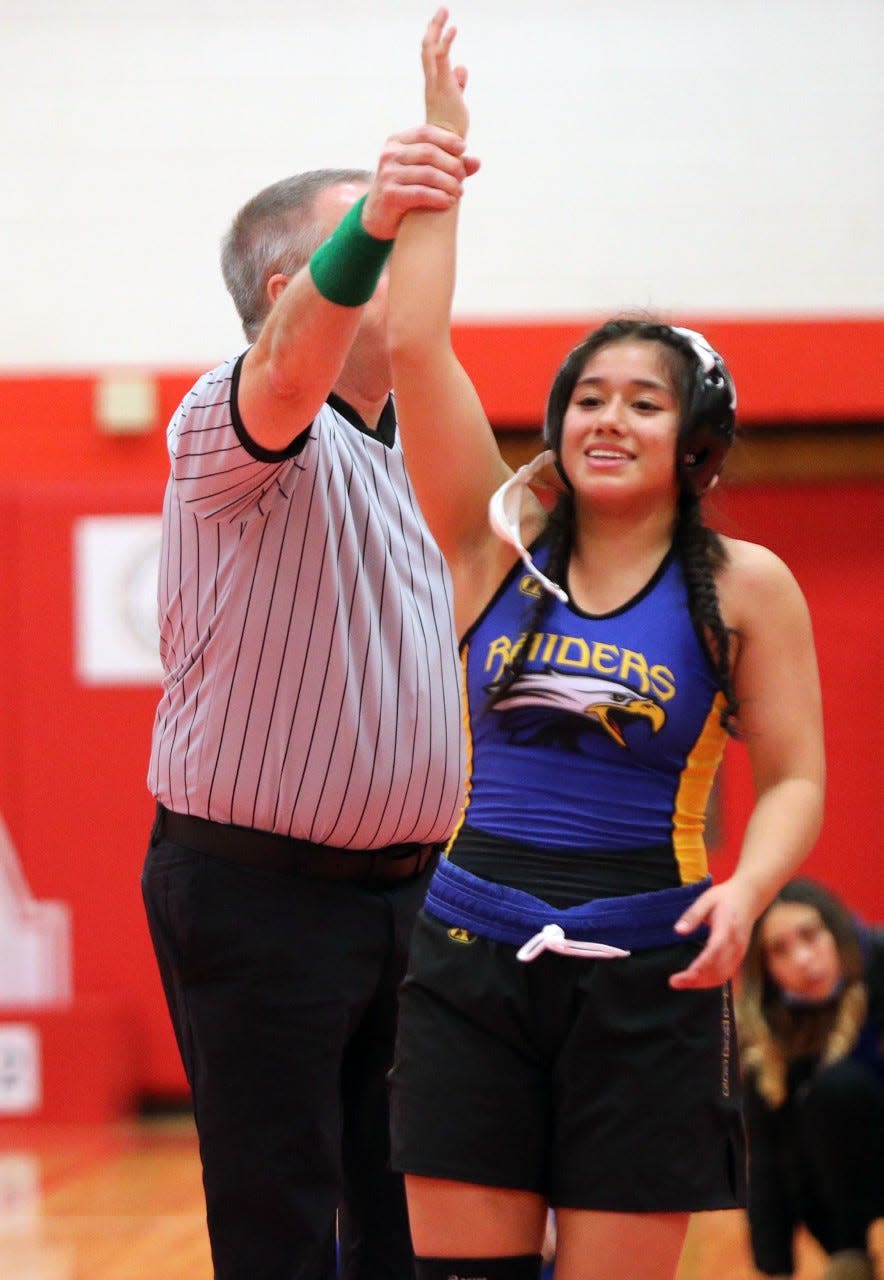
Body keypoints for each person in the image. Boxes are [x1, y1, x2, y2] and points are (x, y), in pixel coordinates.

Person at [383, 12, 827, 1280]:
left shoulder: (746, 585)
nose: (607, 418)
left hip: (651, 977)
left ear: (694, 443)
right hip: (467, 961)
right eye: (587, 396)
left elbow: (795, 774)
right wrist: (439, 161)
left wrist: (743, 892)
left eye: (643, 401)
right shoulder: (491, 547)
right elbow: (414, 346)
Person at [140, 86, 479, 1280]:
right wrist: (379, 212)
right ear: (294, 290)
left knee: (412, 1227)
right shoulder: (226, 417)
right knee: (282, 1224)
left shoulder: (415, 452)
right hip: (258, 894)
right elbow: (285, 368)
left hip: (408, 898)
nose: (407, 266)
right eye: (378, 247)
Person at [737, 878, 884, 1280]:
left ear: (835, 931)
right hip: (840, 1208)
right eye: (779, 950)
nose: (802, 959)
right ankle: (850, 1257)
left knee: (842, 1088)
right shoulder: (765, 1034)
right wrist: (773, 1270)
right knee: (817, 1103)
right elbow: (765, 1165)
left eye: (810, 936)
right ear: (764, 968)